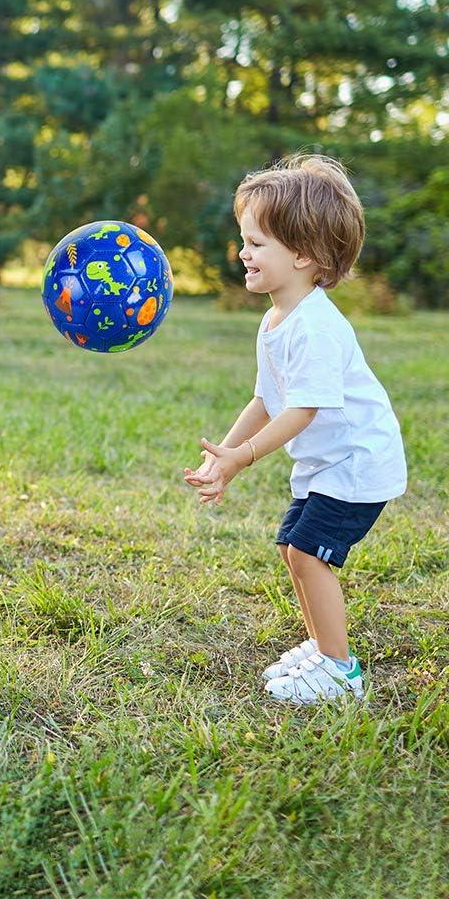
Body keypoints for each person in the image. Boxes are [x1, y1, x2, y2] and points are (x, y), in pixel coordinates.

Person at [183, 155, 405, 705]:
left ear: (303, 254)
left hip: (357, 466)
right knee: (293, 549)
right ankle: (322, 647)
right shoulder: (278, 316)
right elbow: (267, 397)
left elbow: (301, 411)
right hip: (327, 466)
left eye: (256, 243)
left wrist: (244, 457)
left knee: (309, 555)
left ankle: (339, 670)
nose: (243, 252)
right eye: (244, 239)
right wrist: (225, 454)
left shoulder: (317, 326)